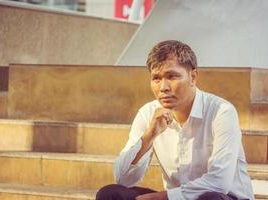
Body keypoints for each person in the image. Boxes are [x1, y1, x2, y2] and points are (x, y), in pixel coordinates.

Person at [96, 40, 254, 200]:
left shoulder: (221, 112)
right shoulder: (148, 113)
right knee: (110, 194)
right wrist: (149, 135)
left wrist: (158, 198)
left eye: (172, 77)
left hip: (225, 197)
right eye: (156, 78)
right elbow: (123, 179)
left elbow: (219, 183)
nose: (163, 87)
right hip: (176, 196)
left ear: (193, 77)